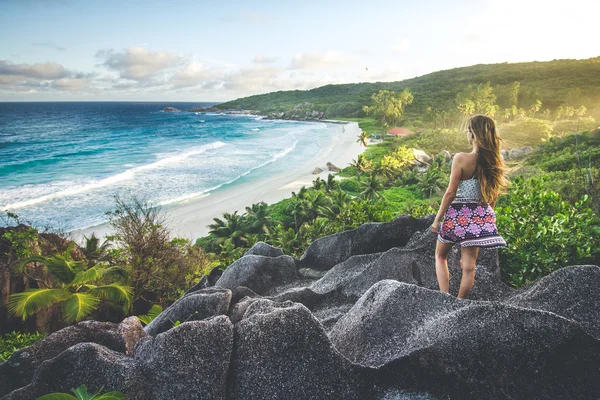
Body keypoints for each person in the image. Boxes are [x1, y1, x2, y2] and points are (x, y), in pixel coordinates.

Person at [431, 114, 508, 299]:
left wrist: (437, 219)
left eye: (468, 130)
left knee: (441, 256)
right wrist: (488, 217)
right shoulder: (494, 161)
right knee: (469, 267)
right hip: (480, 214)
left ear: (473, 134)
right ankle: (459, 303)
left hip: (458, 214)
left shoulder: (461, 158)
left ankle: (445, 298)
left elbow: (450, 193)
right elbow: (493, 195)